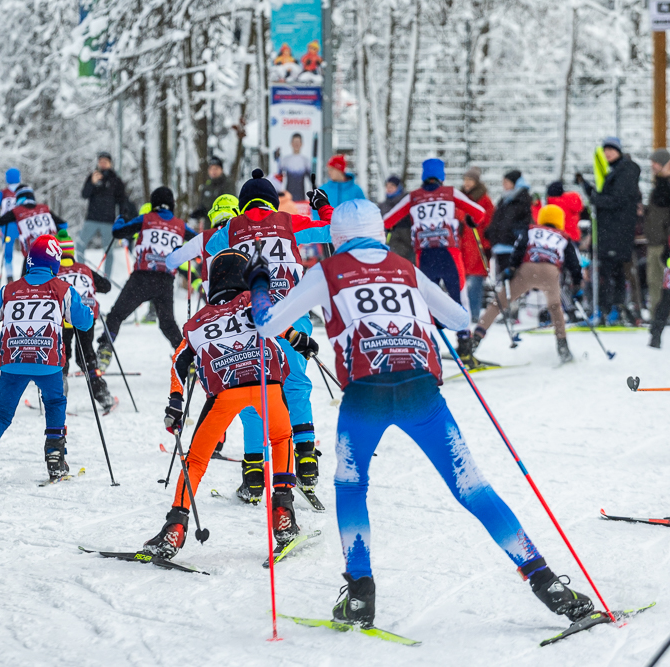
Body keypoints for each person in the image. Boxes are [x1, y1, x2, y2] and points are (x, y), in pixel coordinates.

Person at [250, 198, 596, 630]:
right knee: (472, 487)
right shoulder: (404, 267)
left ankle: (360, 593)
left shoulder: (328, 270)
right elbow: (459, 317)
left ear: (337, 237)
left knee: (351, 486)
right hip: (420, 390)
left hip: (366, 394)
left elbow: (267, 324)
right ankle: (546, 582)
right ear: (378, 233)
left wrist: (259, 282)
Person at [184, 171, 332, 503]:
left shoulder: (231, 228)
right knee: (296, 384)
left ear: (243, 204)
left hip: (251, 318)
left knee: (254, 390)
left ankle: (253, 478)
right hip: (292, 312)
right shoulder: (289, 221)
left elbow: (206, 250)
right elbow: (331, 230)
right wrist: (323, 207)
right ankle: (306, 462)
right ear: (272, 202)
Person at [143, 249, 299, 559]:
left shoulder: (197, 321)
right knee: (282, 438)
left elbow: (179, 362)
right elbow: (277, 321)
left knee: (196, 461)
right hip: (267, 385)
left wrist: (175, 401)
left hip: (224, 393)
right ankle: (283, 512)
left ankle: (175, 527)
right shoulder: (254, 302)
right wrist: (297, 338)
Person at [0, 235, 93, 484]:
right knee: (55, 403)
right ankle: (55, 458)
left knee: (1, 413)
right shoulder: (63, 289)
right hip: (48, 361)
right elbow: (84, 322)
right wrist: (86, 310)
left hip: (13, 361)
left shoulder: (10, 289)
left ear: (29, 261)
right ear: (55, 262)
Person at [381, 158, 486, 365]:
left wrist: (393, 226)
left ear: (423, 176)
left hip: (425, 256)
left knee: (424, 302)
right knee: (459, 298)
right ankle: (465, 346)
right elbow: (480, 213)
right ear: (441, 176)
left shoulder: (414, 197)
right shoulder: (450, 193)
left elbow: (387, 221)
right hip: (449, 255)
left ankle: (424, 347)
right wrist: (471, 220)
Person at [95, 187, 196, 368]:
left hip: (142, 278)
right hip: (165, 281)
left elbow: (118, 232)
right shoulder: (180, 225)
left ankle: (105, 350)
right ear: (172, 205)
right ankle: (188, 360)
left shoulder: (146, 219)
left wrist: (121, 218)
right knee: (167, 324)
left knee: (116, 315)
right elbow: (199, 241)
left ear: (153, 203)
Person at [473, 205, 582, 364]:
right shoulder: (564, 237)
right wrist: (577, 284)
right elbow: (574, 263)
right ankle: (562, 346)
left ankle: (474, 340)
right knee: (555, 308)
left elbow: (519, 248)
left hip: (528, 268)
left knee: (498, 304)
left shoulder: (531, 230)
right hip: (551, 271)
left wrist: (512, 267)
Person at [576, 138, 642, 325]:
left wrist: (595, 198)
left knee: (610, 272)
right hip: (610, 231)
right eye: (605, 150)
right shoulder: (613, 172)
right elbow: (607, 197)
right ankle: (610, 309)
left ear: (619, 151)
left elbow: (615, 200)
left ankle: (610, 310)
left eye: (611, 149)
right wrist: (586, 186)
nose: (608, 153)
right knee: (611, 271)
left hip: (617, 232)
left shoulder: (625, 171)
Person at [54, 230, 115, 410]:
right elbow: (107, 286)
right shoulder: (85, 269)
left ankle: (59, 391)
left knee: (62, 353)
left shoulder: (52, 271)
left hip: (63, 317)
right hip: (86, 316)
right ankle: (101, 393)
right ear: (71, 251)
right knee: (86, 355)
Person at [78, 152, 136, 278]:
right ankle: (81, 273)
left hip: (108, 221)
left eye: (105, 161)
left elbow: (122, 200)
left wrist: (123, 218)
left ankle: (106, 279)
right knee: (80, 245)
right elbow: (84, 195)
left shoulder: (116, 180)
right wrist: (92, 183)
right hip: (91, 219)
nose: (103, 164)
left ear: (110, 163)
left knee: (109, 251)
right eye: (101, 161)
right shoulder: (92, 177)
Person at [0, 185, 68, 277]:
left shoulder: (17, 211)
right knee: (53, 281)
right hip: (52, 253)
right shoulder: (44, 209)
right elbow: (63, 225)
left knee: (25, 282)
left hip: (32, 255)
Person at [459, 167, 495, 323]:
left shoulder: (484, 200)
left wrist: (487, 245)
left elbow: (489, 223)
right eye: (465, 180)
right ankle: (461, 314)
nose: (467, 183)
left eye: (470, 180)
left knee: (475, 283)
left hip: (477, 245)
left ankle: (473, 314)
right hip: (461, 246)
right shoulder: (460, 198)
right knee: (461, 284)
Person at [486, 170, 533, 270]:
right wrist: (491, 231)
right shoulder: (504, 199)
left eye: (506, 182)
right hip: (500, 244)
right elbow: (498, 219)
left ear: (514, 183)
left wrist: (514, 234)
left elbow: (525, 222)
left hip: (512, 246)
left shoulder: (523, 200)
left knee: (511, 276)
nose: (504, 185)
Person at [644, 150, 670, 313]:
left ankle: (661, 316)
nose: (652, 166)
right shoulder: (658, 185)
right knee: (653, 280)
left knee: (662, 282)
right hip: (654, 241)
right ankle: (656, 315)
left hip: (664, 243)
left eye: (656, 163)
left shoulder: (665, 186)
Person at [0, 167, 22, 284]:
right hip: (21, 226)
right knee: (28, 251)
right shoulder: (23, 191)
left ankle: (10, 279)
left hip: (7, 226)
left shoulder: (3, 192)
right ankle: (28, 276)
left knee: (7, 254)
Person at [190, 156, 234, 226]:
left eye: (216, 168)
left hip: (223, 225)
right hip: (208, 225)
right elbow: (202, 203)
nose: (213, 171)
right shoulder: (207, 186)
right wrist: (199, 211)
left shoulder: (227, 185)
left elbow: (229, 205)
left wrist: (208, 211)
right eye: (211, 169)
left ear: (221, 170)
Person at [379, 175, 411, 261]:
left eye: (392, 186)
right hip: (389, 243)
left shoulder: (407, 204)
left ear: (399, 187)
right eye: (387, 186)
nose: (389, 189)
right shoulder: (383, 206)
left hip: (406, 243)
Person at [276, 133, 312, 201]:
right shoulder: (285, 160)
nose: (296, 144)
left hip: (301, 197)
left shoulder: (305, 161)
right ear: (291, 143)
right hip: (288, 197)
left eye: (298, 142)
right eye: (295, 142)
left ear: (301, 144)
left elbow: (311, 180)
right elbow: (279, 177)